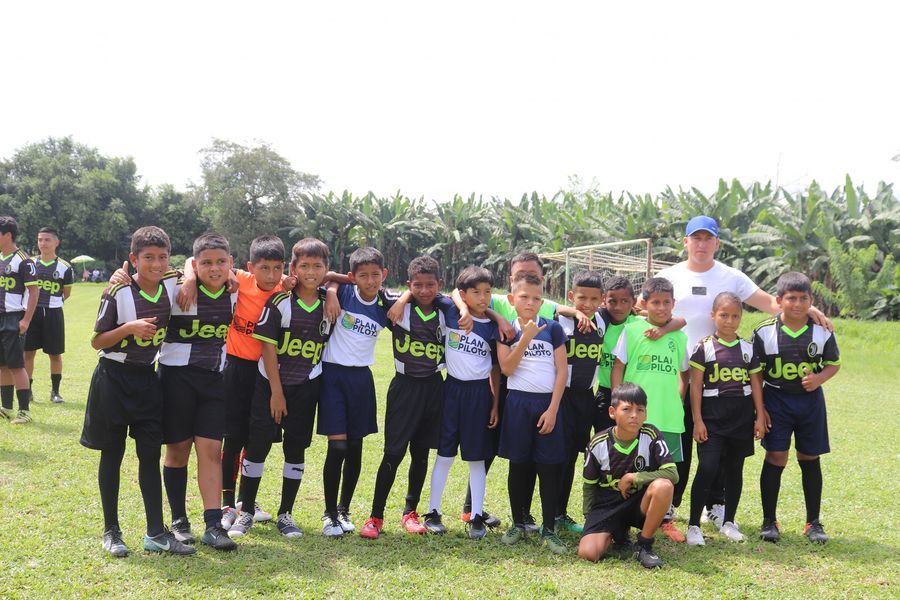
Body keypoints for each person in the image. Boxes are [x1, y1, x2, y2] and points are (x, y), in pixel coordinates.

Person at [655, 215, 832, 528]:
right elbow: (647, 309)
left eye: (707, 238)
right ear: (685, 242)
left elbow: (770, 303)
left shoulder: (731, 276)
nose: (701, 244)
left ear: (717, 243)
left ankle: (716, 503)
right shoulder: (668, 275)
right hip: (677, 374)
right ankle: (670, 504)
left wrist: (808, 309)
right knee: (679, 439)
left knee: (719, 444)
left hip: (723, 377)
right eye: (696, 238)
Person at [80, 226, 195, 557]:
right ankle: (111, 531)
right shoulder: (118, 291)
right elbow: (97, 341)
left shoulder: (171, 281)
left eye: (162, 257)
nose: (156, 264)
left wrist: (189, 278)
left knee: (149, 454)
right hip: (113, 379)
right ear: (133, 259)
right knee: (112, 453)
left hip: (147, 379)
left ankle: (155, 533)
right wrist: (128, 328)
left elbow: (194, 263)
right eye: (148, 258)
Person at [180, 235, 289, 529]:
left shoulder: (286, 288)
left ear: (284, 268)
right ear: (251, 267)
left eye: (277, 269)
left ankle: (246, 501)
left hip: (267, 372)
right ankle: (227, 504)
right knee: (232, 435)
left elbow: (324, 279)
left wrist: (331, 293)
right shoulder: (240, 278)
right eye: (263, 268)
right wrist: (190, 279)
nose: (270, 275)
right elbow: (192, 260)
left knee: (258, 438)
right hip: (235, 368)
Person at [228, 238, 333, 540]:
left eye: (317, 266)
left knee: (295, 449)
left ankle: (286, 514)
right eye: (305, 266)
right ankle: (246, 511)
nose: (311, 272)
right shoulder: (280, 302)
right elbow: (268, 349)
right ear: (294, 268)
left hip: (306, 387)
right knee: (257, 446)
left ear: (326, 268)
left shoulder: (329, 303)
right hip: (269, 386)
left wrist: (332, 292)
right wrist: (276, 392)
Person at [156, 233, 238, 551]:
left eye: (221, 262)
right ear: (195, 263)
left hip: (214, 381)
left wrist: (329, 292)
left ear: (231, 263)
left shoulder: (236, 289)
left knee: (211, 451)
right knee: (177, 450)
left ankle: (213, 525)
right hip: (175, 379)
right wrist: (189, 275)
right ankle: (179, 521)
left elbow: (279, 280)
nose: (214, 268)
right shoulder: (175, 287)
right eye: (206, 263)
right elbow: (140, 279)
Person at [360, 256, 449, 539]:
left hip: (434, 388)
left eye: (430, 285)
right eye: (417, 285)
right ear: (409, 284)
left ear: (440, 284)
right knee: (393, 453)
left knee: (421, 453)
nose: (424, 290)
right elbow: (350, 281)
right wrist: (402, 299)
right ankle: (375, 516)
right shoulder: (396, 303)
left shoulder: (447, 309)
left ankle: (410, 512)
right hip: (404, 387)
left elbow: (464, 298)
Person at [753, 272, 840, 544]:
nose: (798, 304)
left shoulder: (822, 330)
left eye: (804, 298)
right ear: (779, 300)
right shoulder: (764, 331)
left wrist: (819, 379)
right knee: (776, 456)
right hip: (776, 400)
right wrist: (760, 410)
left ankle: (813, 522)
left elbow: (833, 364)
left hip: (810, 403)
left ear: (811, 300)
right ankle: (769, 520)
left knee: (809, 456)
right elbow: (755, 374)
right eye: (791, 298)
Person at [422, 266, 500, 539]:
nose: (483, 297)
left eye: (487, 292)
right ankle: (433, 512)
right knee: (444, 454)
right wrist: (463, 308)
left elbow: (495, 370)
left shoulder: (493, 328)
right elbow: (448, 292)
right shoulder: (452, 312)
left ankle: (476, 516)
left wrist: (495, 404)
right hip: (451, 390)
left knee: (476, 457)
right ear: (465, 295)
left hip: (479, 395)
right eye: (476, 292)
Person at [685, 292, 768, 546]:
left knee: (735, 468)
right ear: (713, 316)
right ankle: (694, 525)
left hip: (741, 416)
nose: (729, 321)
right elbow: (695, 386)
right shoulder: (704, 347)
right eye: (724, 315)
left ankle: (729, 522)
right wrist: (698, 420)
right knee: (708, 467)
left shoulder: (748, 348)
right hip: (712, 416)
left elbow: (756, 385)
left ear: (741, 317)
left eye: (735, 316)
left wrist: (759, 416)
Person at [611, 276, 689, 543]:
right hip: (635, 416)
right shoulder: (632, 330)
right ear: (644, 303)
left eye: (666, 302)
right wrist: (617, 401)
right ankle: (622, 518)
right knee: (629, 466)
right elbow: (618, 366)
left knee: (667, 468)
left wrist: (678, 397)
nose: (661, 307)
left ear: (673, 303)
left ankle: (665, 519)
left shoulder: (679, 337)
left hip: (668, 416)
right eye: (655, 302)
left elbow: (685, 373)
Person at [321, 247, 391, 537]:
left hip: (362, 379)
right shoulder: (344, 293)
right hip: (333, 376)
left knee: (355, 448)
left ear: (384, 275)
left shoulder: (385, 305)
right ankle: (329, 515)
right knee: (337, 447)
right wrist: (333, 290)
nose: (370, 281)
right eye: (363, 275)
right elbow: (322, 276)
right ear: (352, 277)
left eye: (376, 275)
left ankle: (343, 509)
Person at [497, 271, 568, 555]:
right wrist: (525, 338)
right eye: (524, 297)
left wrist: (553, 409)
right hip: (517, 404)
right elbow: (506, 369)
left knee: (548, 468)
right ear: (512, 298)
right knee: (519, 466)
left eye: (537, 298)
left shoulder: (553, 329)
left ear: (543, 302)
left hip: (546, 405)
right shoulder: (506, 331)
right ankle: (518, 524)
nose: (530, 302)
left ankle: (549, 529)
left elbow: (561, 372)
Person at [577, 383, 678, 569]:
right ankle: (617, 531)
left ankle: (644, 545)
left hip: (638, 502)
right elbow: (589, 485)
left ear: (645, 414)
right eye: (627, 409)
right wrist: (590, 519)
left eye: (640, 410)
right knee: (588, 553)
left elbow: (672, 473)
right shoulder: (598, 443)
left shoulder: (651, 434)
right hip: (607, 505)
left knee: (664, 485)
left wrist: (634, 477)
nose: (634, 415)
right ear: (612, 412)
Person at [553, 269, 606, 535]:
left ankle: (561, 513)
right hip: (561, 396)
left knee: (574, 456)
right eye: (581, 298)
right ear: (571, 295)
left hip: (586, 397)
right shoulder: (560, 319)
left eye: (594, 299)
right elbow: (546, 305)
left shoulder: (604, 320)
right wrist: (574, 312)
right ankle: (549, 513)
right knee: (557, 457)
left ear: (602, 300)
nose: (587, 303)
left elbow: (633, 310)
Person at [24, 227, 74, 404]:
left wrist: (52, 303)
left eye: (47, 240)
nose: (43, 243)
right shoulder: (29, 263)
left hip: (53, 313)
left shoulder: (65, 267)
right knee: (28, 353)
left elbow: (66, 293)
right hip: (32, 312)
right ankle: (27, 391)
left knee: (55, 354)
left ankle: (55, 392)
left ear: (56, 242)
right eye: (40, 240)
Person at [0, 216, 39, 425]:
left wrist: (26, 320)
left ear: (7, 235)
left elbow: (34, 292)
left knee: (16, 365)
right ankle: (6, 407)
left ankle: (25, 411)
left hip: (14, 317)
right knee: (2, 365)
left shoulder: (23, 260)